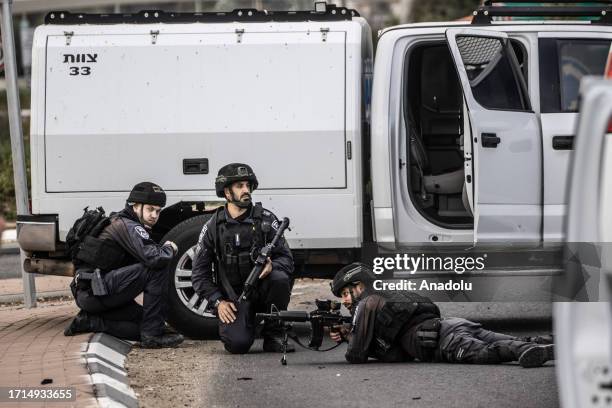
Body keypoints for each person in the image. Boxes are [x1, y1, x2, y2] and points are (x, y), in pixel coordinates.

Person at [329, 262, 555, 367]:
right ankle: (547, 345)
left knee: (488, 353)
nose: (345, 301)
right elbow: (397, 354)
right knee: (505, 339)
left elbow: (355, 356)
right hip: (453, 325)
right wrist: (352, 332)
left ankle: (527, 353)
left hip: (444, 341)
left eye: (346, 294)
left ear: (358, 286)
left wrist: (350, 335)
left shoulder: (366, 303)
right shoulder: (388, 295)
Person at [64, 182, 184, 348]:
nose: (154, 215)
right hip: (95, 291)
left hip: (95, 291)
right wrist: (169, 248)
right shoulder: (128, 225)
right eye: (150, 209)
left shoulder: (124, 221)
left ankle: (91, 321)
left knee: (146, 324)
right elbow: (155, 258)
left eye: (158, 211)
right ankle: (152, 337)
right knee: (156, 269)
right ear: (135, 206)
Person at [192, 163, 294, 354]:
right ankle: (246, 324)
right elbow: (199, 275)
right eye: (239, 186)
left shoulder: (266, 219)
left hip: (263, 292)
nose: (246, 190)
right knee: (237, 345)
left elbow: (287, 261)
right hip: (234, 299)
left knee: (279, 279)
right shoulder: (213, 227)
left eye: (248, 185)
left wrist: (273, 266)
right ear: (227, 193)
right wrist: (218, 302)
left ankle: (274, 334)